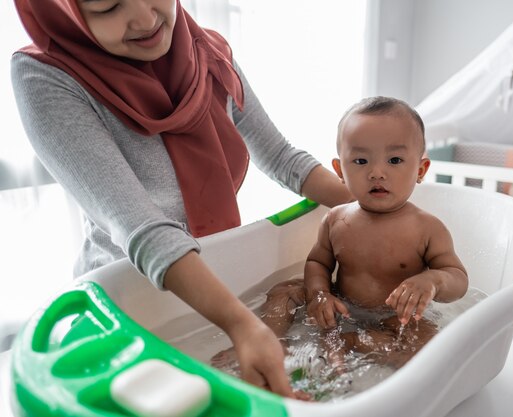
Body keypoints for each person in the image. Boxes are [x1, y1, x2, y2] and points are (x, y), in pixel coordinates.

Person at [11, 0, 352, 397]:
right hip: (128, 309)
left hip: (216, 284)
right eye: (107, 7)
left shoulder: (207, 52)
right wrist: (242, 325)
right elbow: (142, 227)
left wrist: (372, 211)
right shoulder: (47, 76)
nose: (145, 18)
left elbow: (281, 157)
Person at [303, 96, 469, 368]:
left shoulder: (427, 228)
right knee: (282, 295)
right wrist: (320, 294)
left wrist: (433, 281)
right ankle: (265, 349)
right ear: (339, 170)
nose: (376, 172)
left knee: (433, 352)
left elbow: (458, 280)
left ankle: (354, 342)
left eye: (394, 160)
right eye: (360, 161)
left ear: (420, 169)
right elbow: (317, 262)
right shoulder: (334, 219)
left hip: (397, 319)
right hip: (342, 311)